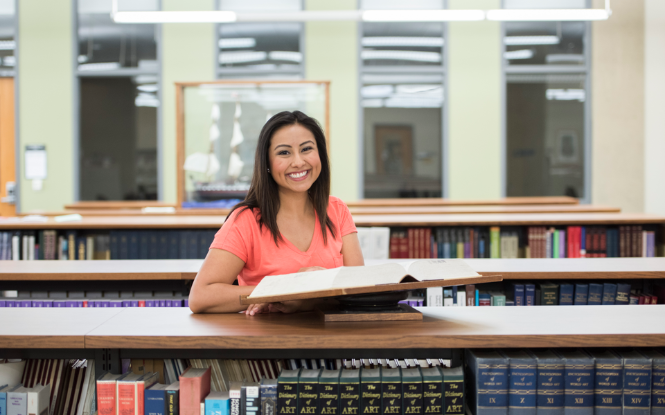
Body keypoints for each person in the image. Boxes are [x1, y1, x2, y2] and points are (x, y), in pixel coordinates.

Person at [189, 111, 364, 314]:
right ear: (267, 163)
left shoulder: (337, 210)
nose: (298, 162)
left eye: (306, 149)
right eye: (284, 153)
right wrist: (283, 290)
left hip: (335, 339)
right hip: (268, 340)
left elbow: (359, 292)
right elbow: (201, 297)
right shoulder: (245, 221)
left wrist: (311, 297)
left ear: (320, 155)